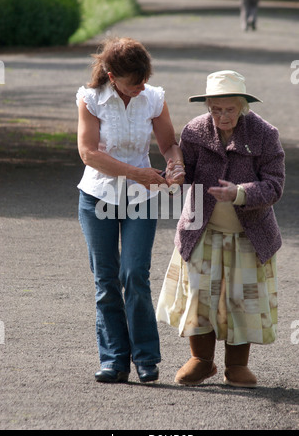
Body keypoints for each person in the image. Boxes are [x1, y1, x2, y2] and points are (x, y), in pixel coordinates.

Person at [157, 70, 285, 388]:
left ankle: (236, 366)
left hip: (249, 235)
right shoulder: (196, 131)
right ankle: (201, 361)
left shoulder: (264, 134)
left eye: (229, 109)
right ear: (208, 106)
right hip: (202, 230)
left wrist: (240, 193)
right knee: (200, 298)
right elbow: (180, 167)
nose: (222, 116)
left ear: (243, 106)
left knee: (241, 301)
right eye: (216, 109)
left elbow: (275, 185)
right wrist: (173, 175)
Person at [76, 37, 185, 384]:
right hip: (98, 198)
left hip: (140, 200)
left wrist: (176, 164)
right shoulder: (90, 100)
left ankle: (146, 359)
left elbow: (168, 144)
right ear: (111, 76)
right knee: (106, 280)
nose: (140, 87)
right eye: (133, 82)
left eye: (143, 80)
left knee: (135, 273)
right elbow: (89, 153)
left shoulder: (153, 98)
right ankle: (114, 360)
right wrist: (137, 173)